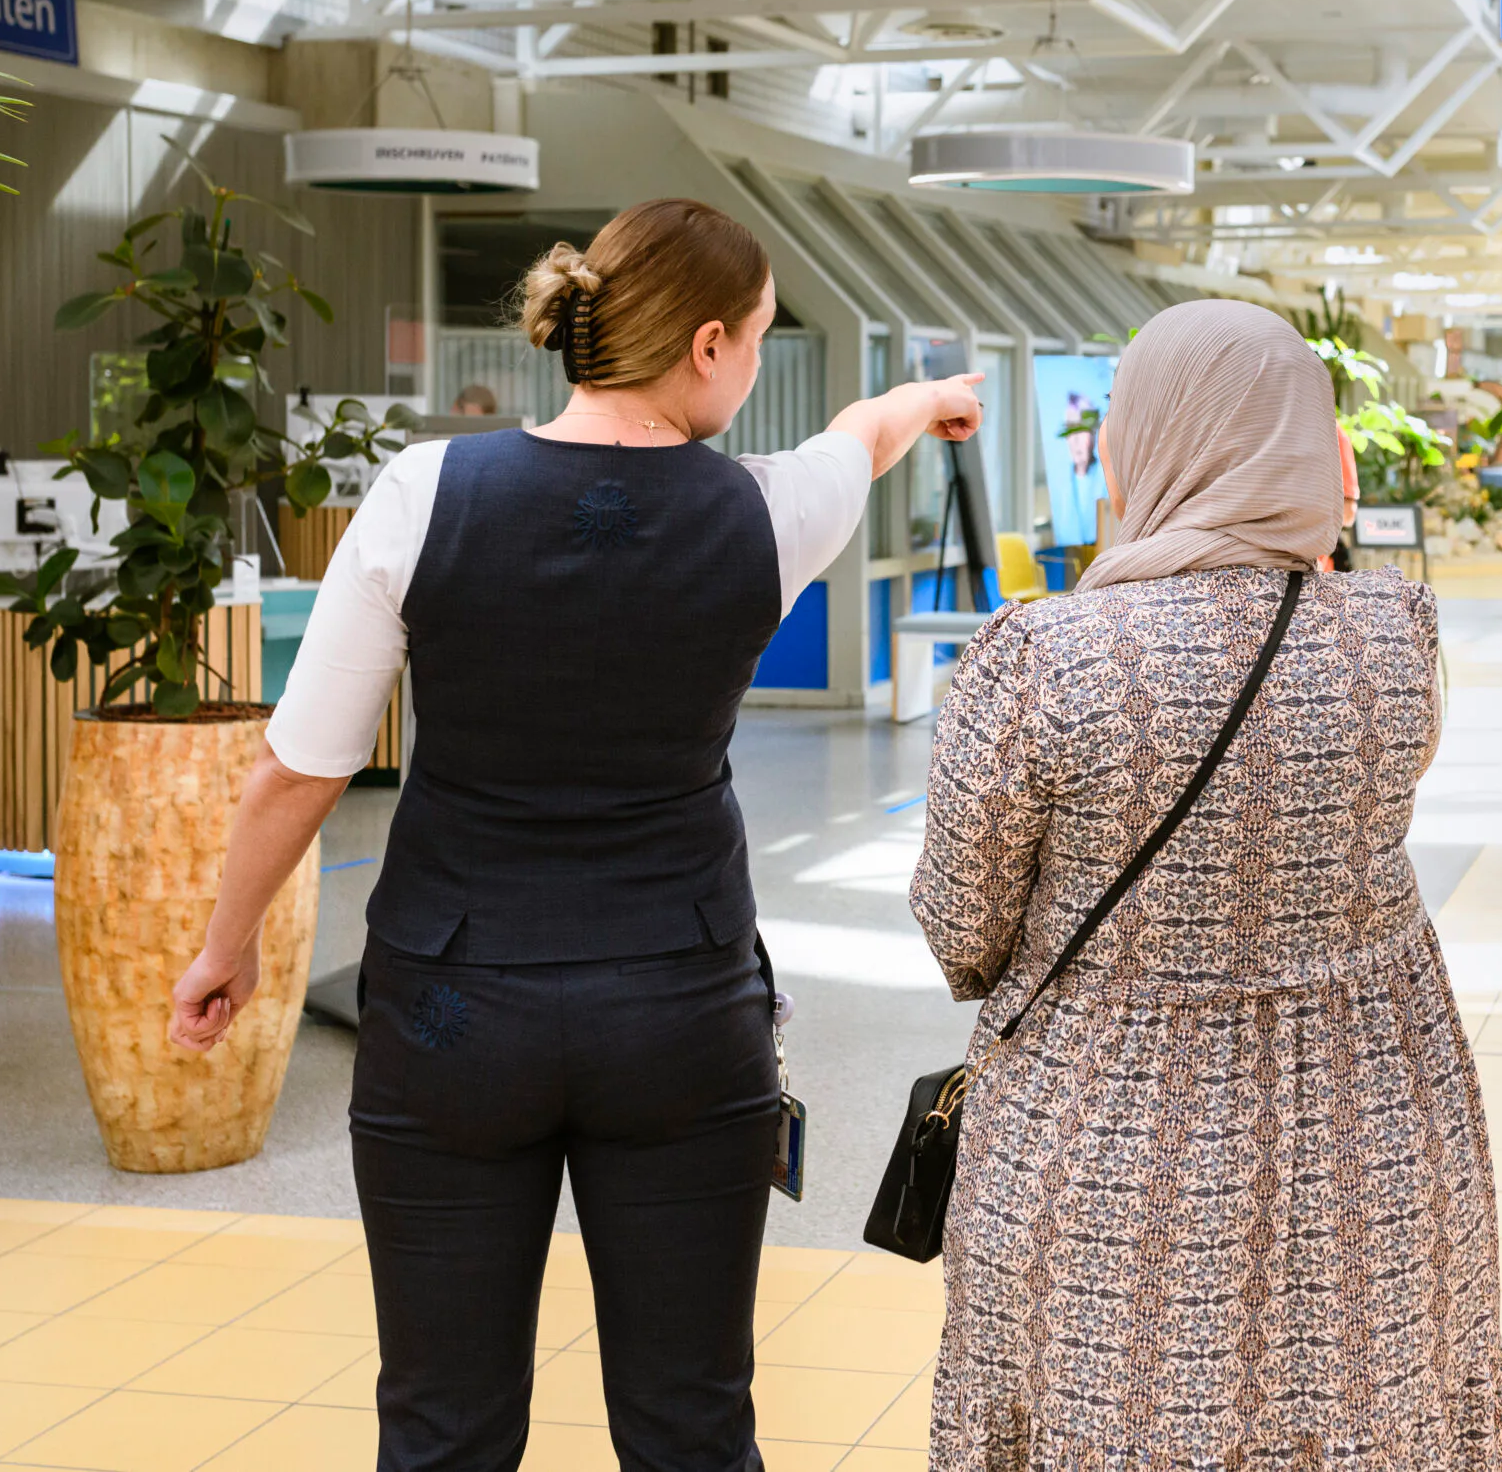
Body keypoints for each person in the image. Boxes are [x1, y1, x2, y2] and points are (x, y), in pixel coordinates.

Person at [164, 197, 984, 1469]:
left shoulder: (425, 489)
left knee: (441, 1423)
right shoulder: (764, 516)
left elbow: (299, 769)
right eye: (758, 339)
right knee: (689, 1422)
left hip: (448, 1013)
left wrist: (231, 944)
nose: (756, 366)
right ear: (708, 345)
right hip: (679, 1011)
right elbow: (856, 439)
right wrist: (927, 401)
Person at [908, 300, 1502, 1470]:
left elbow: (960, 933)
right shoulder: (1398, 634)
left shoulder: (1045, 658)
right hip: (1377, 1126)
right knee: (1365, 1412)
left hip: (1109, 1146)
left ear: (1146, 441)